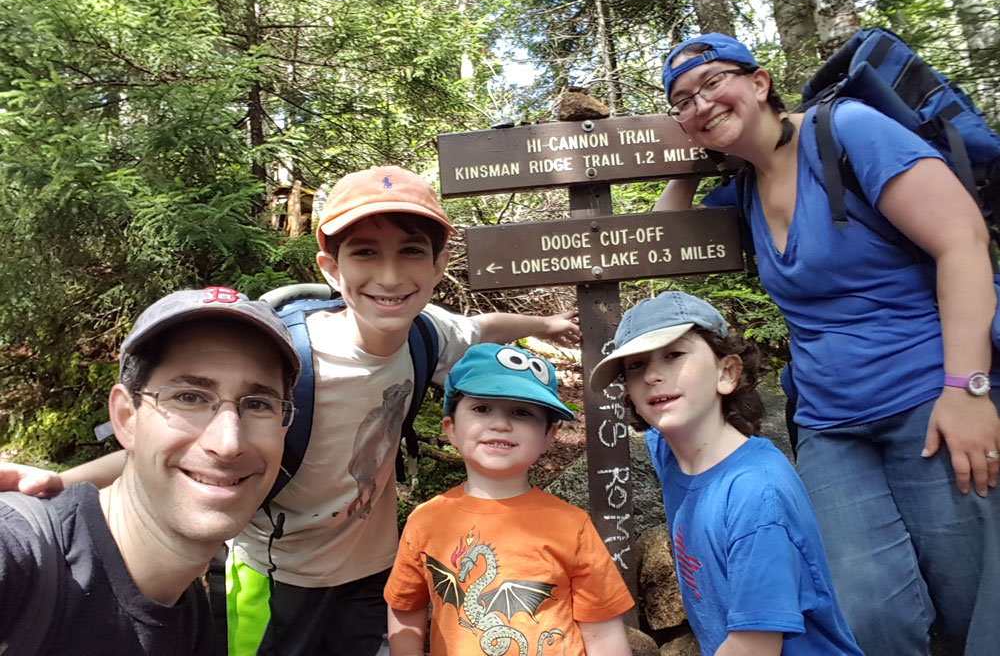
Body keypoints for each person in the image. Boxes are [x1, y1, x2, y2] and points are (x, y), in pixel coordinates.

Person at [7, 166, 582, 656]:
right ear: (331, 268)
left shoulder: (427, 334)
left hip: (373, 570)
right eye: (364, 253)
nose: (389, 275)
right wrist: (59, 483)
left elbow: (484, 326)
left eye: (411, 252)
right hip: (272, 577)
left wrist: (547, 327)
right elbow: (183, 444)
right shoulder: (287, 360)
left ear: (438, 267)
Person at [655, 32, 1000, 656]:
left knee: (971, 601)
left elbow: (962, 243)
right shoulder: (743, 190)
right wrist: (687, 152)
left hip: (933, 398)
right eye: (682, 101)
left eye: (712, 84)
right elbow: (661, 245)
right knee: (863, 613)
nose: (700, 104)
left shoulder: (848, 133)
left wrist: (968, 389)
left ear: (759, 83)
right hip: (830, 425)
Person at [0, 286, 301, 655]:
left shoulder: (186, 616)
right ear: (126, 418)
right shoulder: (19, 559)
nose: (228, 443)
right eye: (189, 397)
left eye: (257, 404)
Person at [589, 290, 863, 656]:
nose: (653, 375)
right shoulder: (671, 449)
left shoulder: (757, 496)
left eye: (674, 355)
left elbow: (754, 646)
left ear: (727, 371)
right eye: (635, 365)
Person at [384, 343, 634, 656]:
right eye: (481, 408)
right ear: (451, 429)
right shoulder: (426, 520)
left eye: (522, 412)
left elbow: (602, 633)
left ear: (548, 436)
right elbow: (405, 607)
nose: (500, 424)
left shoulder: (571, 525)